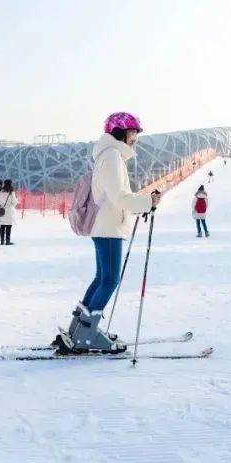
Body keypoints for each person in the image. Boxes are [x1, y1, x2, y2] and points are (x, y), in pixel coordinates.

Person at [65, 112, 161, 353]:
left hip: (106, 225)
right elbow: (119, 197)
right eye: (132, 133)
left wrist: (143, 202)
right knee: (109, 280)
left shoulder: (109, 156)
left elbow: (115, 195)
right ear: (120, 133)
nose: (135, 139)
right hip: (108, 226)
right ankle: (86, 335)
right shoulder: (112, 157)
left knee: (102, 279)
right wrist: (147, 202)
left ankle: (79, 330)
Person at [0, 179, 18, 245]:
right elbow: (14, 202)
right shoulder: (11, 192)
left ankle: (2, 241)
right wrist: (14, 204)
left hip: (2, 209)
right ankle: (8, 241)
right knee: (8, 226)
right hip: (9, 210)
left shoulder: (0, 192)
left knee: (2, 226)